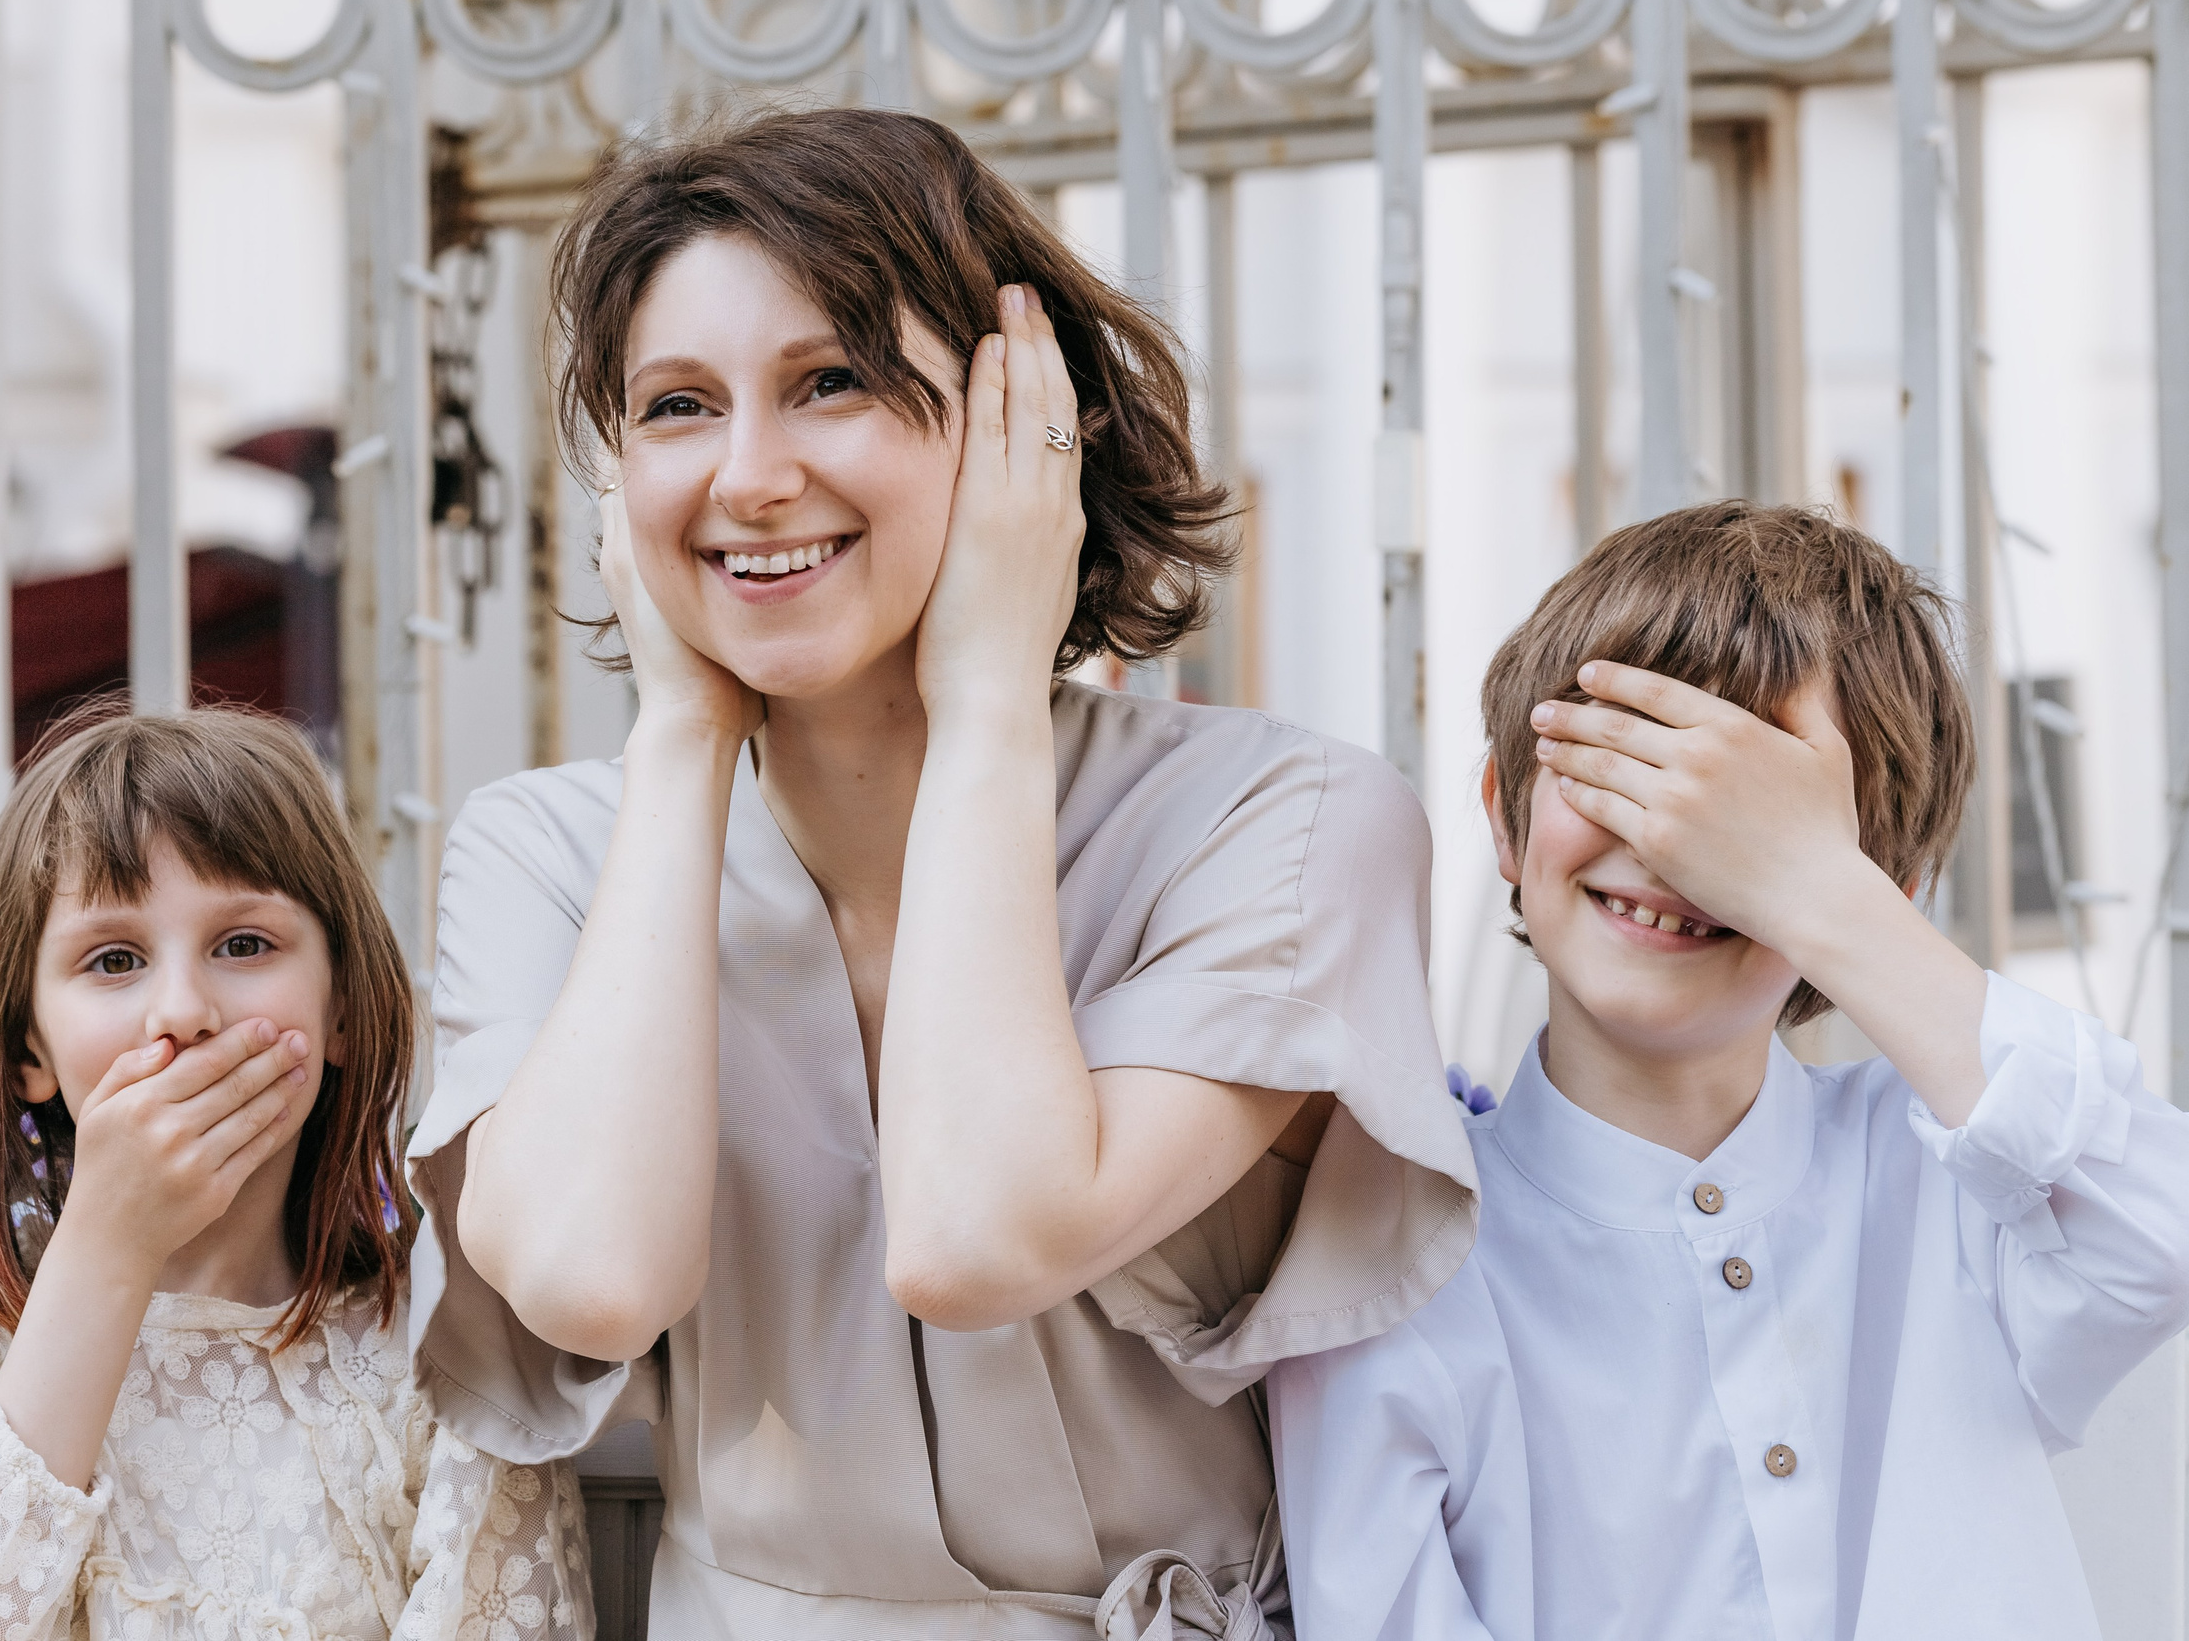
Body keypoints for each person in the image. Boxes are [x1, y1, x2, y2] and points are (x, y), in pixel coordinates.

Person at [408, 106, 1479, 1638]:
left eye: (828, 381)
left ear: (1017, 420)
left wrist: (987, 697)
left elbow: (982, 1235)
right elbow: (591, 1276)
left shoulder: (1286, 825)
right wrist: (679, 740)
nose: (751, 475)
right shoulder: (551, 854)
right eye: (677, 407)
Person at [1268, 501, 2189, 1640]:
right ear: (1505, 817)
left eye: (1748, 816)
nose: (1668, 846)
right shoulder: (1391, 1263)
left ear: (1875, 893)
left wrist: (1816, 891)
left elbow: (2156, 1231)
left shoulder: (1955, 1186)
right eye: (1620, 768)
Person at [0, 707, 591, 1641]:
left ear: (341, 1007)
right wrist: (108, 1244)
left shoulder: (440, 1345)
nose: (182, 1011)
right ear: (29, 1046)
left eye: (244, 945)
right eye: (115, 959)